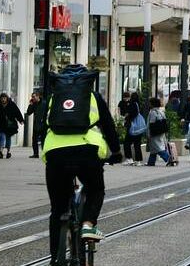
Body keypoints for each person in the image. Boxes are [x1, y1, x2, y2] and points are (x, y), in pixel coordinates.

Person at [42, 64, 122, 252]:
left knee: (58, 209)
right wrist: (116, 152)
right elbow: (108, 126)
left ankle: (55, 258)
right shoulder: (94, 98)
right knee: (96, 189)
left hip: (55, 154)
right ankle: (88, 223)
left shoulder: (55, 98)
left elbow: (40, 126)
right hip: (87, 151)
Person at [0, 93, 24, 159]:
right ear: (0, 99)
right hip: (0, 124)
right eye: (2, 98)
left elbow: (17, 112)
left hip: (9, 125)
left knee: (8, 138)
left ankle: (8, 152)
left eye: (4, 98)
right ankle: (0, 152)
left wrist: (20, 120)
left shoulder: (11, 104)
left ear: (7, 98)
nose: (3, 99)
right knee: (2, 137)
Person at [145, 97, 173, 167]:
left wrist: (148, 133)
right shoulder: (161, 111)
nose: (149, 104)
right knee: (153, 149)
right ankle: (151, 162)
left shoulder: (153, 112)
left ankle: (168, 158)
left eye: (150, 103)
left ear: (152, 104)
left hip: (154, 133)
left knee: (158, 147)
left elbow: (151, 124)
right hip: (160, 132)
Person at [122, 92, 143, 166]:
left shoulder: (132, 104)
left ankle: (129, 159)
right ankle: (138, 160)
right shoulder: (138, 104)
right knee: (137, 144)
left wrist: (126, 117)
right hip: (139, 128)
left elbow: (131, 115)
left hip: (132, 127)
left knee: (126, 143)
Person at [27, 92, 42, 158]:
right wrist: (30, 104)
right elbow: (29, 112)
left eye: (34, 97)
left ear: (38, 96)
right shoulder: (34, 104)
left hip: (43, 125)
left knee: (44, 140)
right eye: (32, 97)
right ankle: (36, 154)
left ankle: (46, 154)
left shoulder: (44, 103)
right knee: (34, 140)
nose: (32, 98)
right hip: (36, 125)